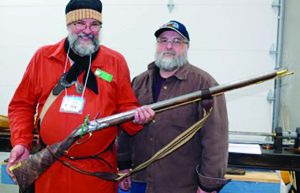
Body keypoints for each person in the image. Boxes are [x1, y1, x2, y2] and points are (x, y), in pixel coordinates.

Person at [6, 0, 154, 193]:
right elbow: (21, 105)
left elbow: (126, 110)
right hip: (49, 169)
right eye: (80, 23)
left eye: (94, 24)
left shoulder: (115, 62)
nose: (87, 30)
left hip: (97, 173)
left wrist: (139, 118)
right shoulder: (43, 57)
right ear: (68, 24)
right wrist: (21, 143)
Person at [118, 20, 229, 193]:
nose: (169, 46)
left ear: (187, 46)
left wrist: (208, 184)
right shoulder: (139, 82)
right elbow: (125, 127)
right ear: (157, 45)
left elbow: (216, 139)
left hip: (181, 185)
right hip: (141, 181)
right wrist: (123, 166)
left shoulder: (204, 84)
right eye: (163, 40)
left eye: (177, 41)